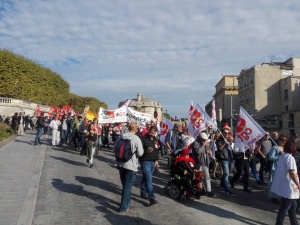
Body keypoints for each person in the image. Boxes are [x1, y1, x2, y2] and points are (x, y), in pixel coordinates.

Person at [115, 123, 144, 213]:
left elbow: (115, 148)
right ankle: (123, 207)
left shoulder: (120, 137)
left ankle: (127, 204)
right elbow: (140, 153)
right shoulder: (136, 139)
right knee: (127, 186)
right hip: (130, 165)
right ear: (135, 129)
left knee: (125, 185)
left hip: (120, 164)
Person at [271, 138, 300, 225]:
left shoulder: (284, 155)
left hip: (286, 186)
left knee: (293, 206)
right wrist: (298, 184)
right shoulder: (289, 157)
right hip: (289, 187)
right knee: (285, 207)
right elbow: (291, 172)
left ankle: (294, 223)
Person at [139, 126, 159, 205]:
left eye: (154, 133)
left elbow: (156, 151)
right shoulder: (143, 139)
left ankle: (143, 193)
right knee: (149, 180)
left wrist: (156, 161)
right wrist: (146, 151)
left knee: (145, 178)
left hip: (153, 162)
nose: (152, 134)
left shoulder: (154, 139)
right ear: (148, 131)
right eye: (151, 132)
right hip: (145, 161)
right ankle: (152, 198)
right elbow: (139, 151)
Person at [192, 132, 216, 197]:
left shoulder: (205, 143)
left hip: (205, 163)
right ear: (200, 138)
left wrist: (208, 151)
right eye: (203, 139)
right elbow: (197, 152)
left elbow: (208, 150)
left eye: (205, 140)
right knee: (198, 178)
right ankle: (197, 191)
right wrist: (203, 146)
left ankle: (209, 191)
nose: (205, 141)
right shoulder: (195, 143)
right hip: (198, 163)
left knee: (207, 177)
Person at [268, 134, 287, 203]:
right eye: (280, 139)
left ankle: (281, 196)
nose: (281, 141)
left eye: (283, 140)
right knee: (274, 182)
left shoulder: (285, 148)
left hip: (283, 167)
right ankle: (273, 197)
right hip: (276, 167)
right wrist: (280, 156)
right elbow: (271, 157)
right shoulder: (275, 148)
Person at [216, 128, 234, 196]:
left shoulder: (228, 139)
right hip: (223, 158)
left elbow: (232, 141)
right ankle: (227, 189)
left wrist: (230, 139)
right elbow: (219, 148)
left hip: (230, 158)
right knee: (226, 173)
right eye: (225, 133)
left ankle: (222, 183)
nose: (227, 134)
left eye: (227, 133)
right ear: (222, 133)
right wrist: (224, 142)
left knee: (227, 173)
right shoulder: (219, 140)